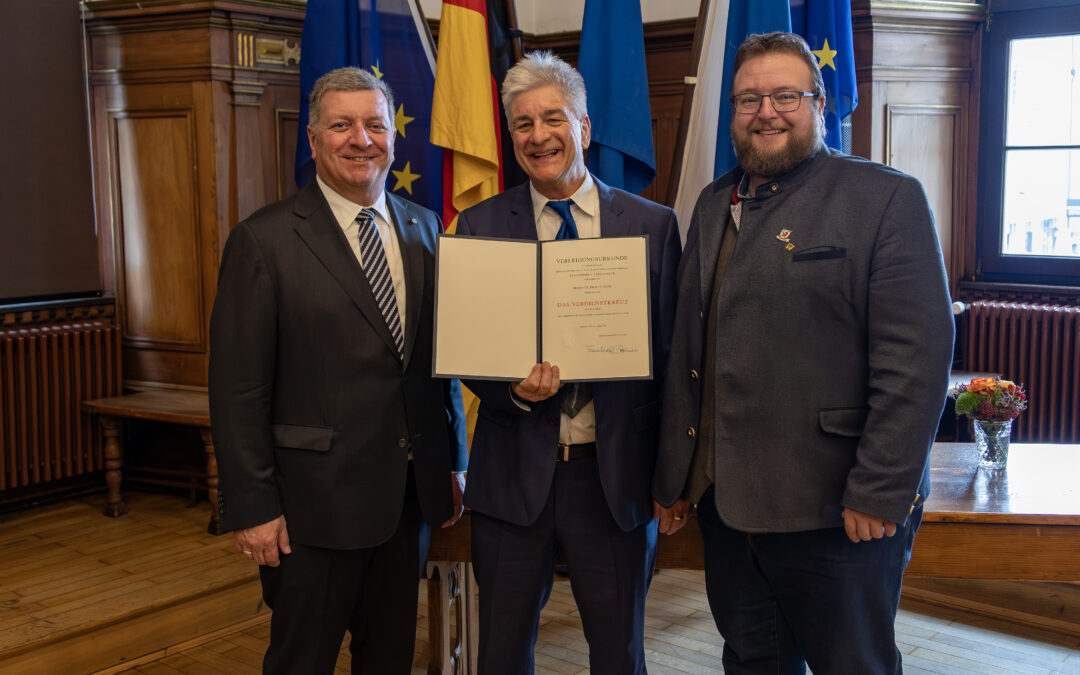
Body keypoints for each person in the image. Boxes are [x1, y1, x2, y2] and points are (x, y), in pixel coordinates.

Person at [652, 32, 954, 674]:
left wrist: (879, 491)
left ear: (820, 104)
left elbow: (916, 361)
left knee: (855, 666)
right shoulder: (712, 204)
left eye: (785, 95)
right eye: (748, 99)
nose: (766, 111)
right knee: (753, 662)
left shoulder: (885, 198)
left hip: (838, 511)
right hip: (727, 508)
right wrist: (677, 475)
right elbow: (689, 351)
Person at [208, 67, 468, 674]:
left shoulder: (424, 227)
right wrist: (251, 506)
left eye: (375, 125)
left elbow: (439, 362)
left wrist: (453, 459)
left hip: (406, 505)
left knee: (389, 662)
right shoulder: (263, 241)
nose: (361, 139)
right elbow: (238, 389)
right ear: (313, 137)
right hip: (310, 513)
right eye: (342, 125)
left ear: (394, 139)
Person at [456, 51, 680, 675]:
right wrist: (515, 391)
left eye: (553, 118)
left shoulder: (652, 227)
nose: (538, 136)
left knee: (618, 656)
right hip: (510, 484)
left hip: (613, 485)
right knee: (500, 655)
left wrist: (671, 479)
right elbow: (471, 355)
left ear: (583, 128)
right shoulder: (477, 226)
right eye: (523, 124)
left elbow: (671, 358)